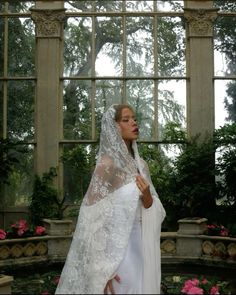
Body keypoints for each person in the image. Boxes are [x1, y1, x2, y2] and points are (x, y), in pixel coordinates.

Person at [55, 104, 166, 294]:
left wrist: (147, 196)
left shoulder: (142, 165)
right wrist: (100, 271)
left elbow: (152, 208)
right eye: (126, 119)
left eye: (134, 118)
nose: (133, 122)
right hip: (118, 257)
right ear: (114, 127)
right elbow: (90, 220)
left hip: (142, 250)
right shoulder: (107, 165)